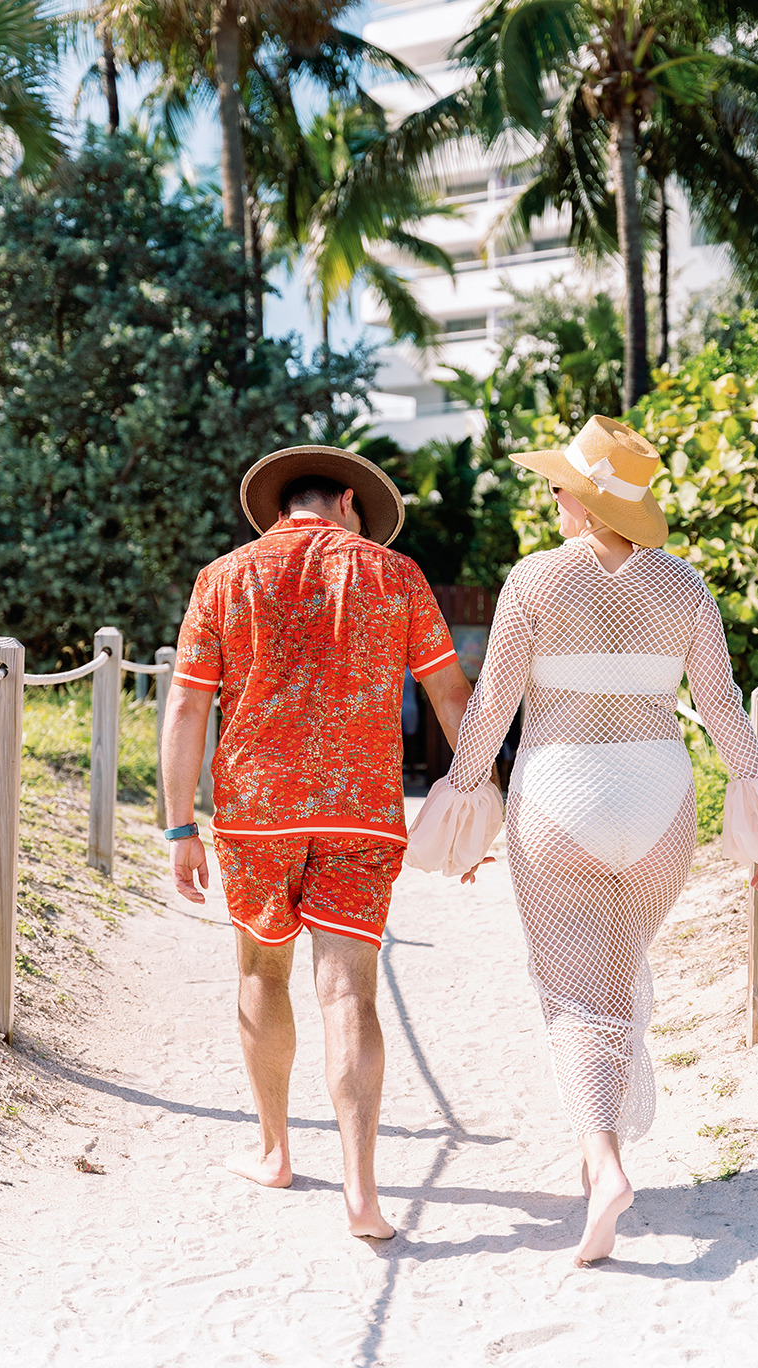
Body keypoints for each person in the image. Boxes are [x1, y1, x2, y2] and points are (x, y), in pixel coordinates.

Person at [408, 415, 758, 1265]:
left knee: (574, 993)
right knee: (613, 971)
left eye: (561, 482)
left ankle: (603, 1167)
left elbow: (488, 712)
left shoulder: (533, 581)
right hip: (660, 803)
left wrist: (460, 813)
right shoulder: (685, 587)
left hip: (558, 797)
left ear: (583, 498)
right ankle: (600, 1153)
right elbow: (721, 707)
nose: (553, 493)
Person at [160, 444, 473, 1240]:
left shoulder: (223, 578)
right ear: (342, 499)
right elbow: (447, 691)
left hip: (257, 810)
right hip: (361, 809)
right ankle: (362, 1193)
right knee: (350, 994)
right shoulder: (395, 574)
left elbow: (189, 711)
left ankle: (275, 1152)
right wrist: (474, 802)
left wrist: (179, 826)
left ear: (280, 509)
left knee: (262, 970)